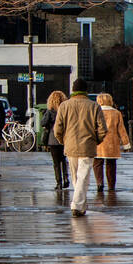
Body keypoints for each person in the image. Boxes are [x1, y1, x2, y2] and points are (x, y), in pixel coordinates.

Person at [53, 77, 108, 217]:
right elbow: (102, 129)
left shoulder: (64, 106)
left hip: (70, 145)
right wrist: (96, 140)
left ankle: (79, 205)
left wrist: (63, 140)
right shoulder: (94, 106)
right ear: (85, 90)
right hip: (87, 145)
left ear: (73, 90)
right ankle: (78, 205)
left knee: (76, 177)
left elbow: (57, 129)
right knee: (83, 177)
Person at [93, 93, 132, 191]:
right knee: (111, 164)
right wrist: (126, 144)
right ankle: (111, 185)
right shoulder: (116, 113)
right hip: (112, 142)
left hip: (98, 141)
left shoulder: (95, 112)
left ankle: (99, 182)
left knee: (97, 163)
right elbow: (121, 129)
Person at [42, 90, 70, 190]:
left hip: (53, 139)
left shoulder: (50, 111)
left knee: (56, 162)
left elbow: (43, 123)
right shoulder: (66, 110)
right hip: (65, 138)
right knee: (64, 159)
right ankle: (66, 178)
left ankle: (59, 183)